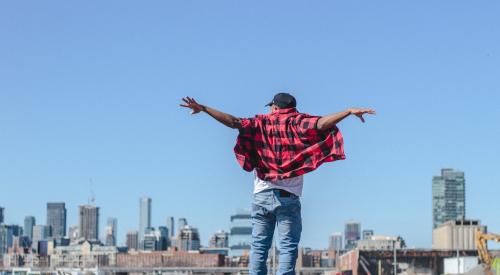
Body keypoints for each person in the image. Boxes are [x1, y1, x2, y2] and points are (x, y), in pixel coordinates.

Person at [180, 93, 375, 275]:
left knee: (258, 247)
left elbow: (234, 122)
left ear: (274, 107)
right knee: (288, 247)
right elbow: (322, 124)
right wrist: (348, 112)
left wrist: (204, 108)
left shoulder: (260, 123)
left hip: (262, 195)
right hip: (288, 198)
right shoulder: (298, 123)